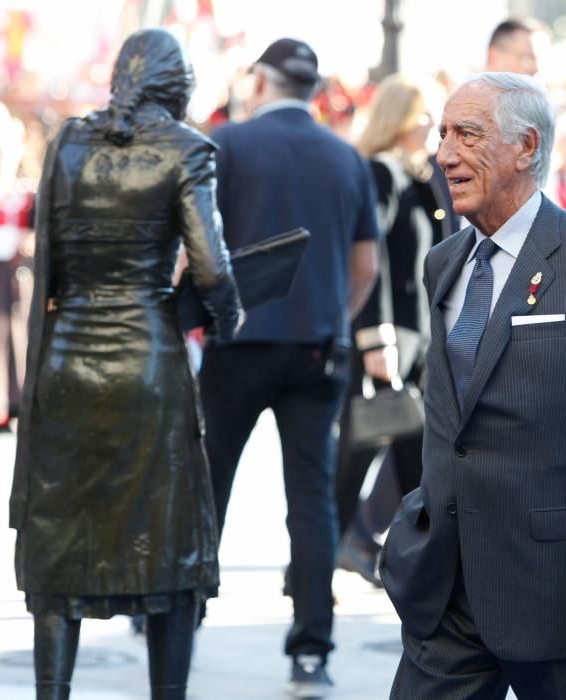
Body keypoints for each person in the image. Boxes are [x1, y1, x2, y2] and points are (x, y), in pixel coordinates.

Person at [379, 72, 566, 699]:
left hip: (561, 607)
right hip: (447, 599)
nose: (446, 153)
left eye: (468, 135)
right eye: (443, 134)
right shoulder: (444, 262)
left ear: (526, 146)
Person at [9, 29, 243, 700]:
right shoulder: (187, 150)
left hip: (66, 363)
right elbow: (214, 271)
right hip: (148, 362)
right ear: (178, 87)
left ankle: (51, 693)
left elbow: (48, 260)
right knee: (170, 542)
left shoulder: (66, 145)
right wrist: (228, 323)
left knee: (61, 540)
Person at [198, 37, 379, 698]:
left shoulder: (231, 145)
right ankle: (311, 649)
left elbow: (197, 249)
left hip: (239, 340)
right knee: (311, 500)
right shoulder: (345, 157)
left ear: (264, 81)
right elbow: (366, 270)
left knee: (207, 484)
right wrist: (332, 312)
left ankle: (179, 614)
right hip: (316, 346)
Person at [335, 73, 455, 584]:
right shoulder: (381, 173)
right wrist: (373, 335)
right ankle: (313, 565)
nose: (435, 127)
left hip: (419, 337)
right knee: (359, 455)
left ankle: (423, 566)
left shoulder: (416, 175)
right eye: (426, 116)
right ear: (401, 120)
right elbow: (370, 259)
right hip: (390, 337)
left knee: (413, 456)